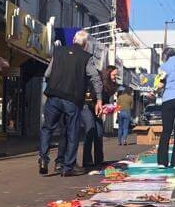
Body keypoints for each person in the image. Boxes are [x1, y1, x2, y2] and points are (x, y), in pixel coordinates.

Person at [39, 29, 103, 177]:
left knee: (47, 128)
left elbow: (47, 73)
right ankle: (68, 167)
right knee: (72, 131)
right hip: (72, 99)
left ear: (73, 40)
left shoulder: (59, 51)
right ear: (85, 44)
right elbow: (95, 78)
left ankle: (43, 158)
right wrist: (99, 99)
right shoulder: (86, 57)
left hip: (54, 96)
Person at [82, 65, 117, 167]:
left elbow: (105, 101)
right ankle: (87, 160)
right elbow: (90, 98)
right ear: (108, 73)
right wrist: (99, 107)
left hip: (98, 110)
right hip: (88, 106)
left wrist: (107, 107)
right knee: (90, 129)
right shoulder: (98, 82)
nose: (115, 77)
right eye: (114, 74)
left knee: (99, 132)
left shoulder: (111, 86)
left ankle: (99, 159)